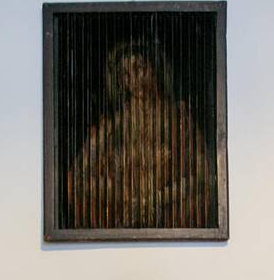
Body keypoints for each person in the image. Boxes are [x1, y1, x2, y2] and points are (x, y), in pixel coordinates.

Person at [66, 37, 209, 229]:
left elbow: (203, 176)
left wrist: (155, 199)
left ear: (154, 69)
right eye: (125, 74)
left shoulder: (179, 117)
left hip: (170, 217)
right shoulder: (112, 123)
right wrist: (125, 197)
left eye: (138, 68)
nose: (133, 79)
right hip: (121, 217)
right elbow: (78, 176)